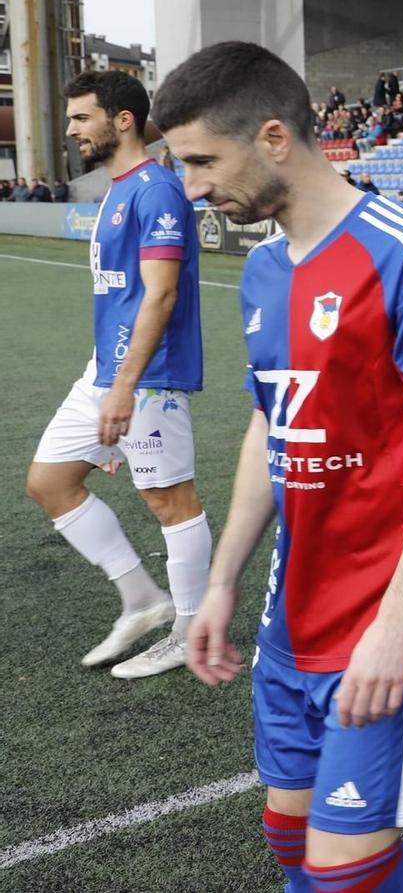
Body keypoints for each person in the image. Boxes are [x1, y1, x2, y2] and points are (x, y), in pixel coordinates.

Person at [161, 42, 403, 893]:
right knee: (293, 844)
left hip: (388, 607)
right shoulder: (260, 269)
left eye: (204, 161)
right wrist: (221, 585)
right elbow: (268, 430)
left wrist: (397, 623)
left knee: (347, 878)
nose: (194, 187)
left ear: (275, 137)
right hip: (294, 612)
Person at [26, 71, 210, 680]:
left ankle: (190, 631)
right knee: (50, 481)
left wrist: (126, 389)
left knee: (169, 501)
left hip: (148, 377)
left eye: (82, 117)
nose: (73, 128)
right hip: (105, 372)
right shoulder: (119, 188)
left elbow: (158, 297)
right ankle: (143, 600)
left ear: (122, 119)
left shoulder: (157, 192)